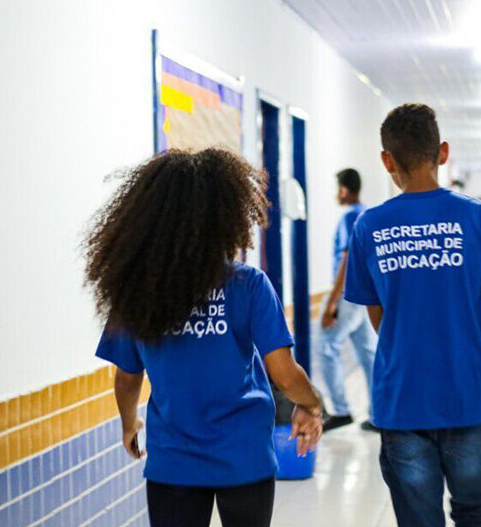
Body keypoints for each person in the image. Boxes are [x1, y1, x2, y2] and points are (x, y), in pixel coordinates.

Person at [343, 103, 481, 527]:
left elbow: (380, 319)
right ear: (442, 152)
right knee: (473, 512)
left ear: (387, 160)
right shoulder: (479, 219)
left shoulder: (370, 227)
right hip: (470, 397)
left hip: (402, 400)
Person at [84, 149, 324, 527]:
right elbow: (284, 374)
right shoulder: (249, 285)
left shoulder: (138, 292)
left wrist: (129, 423)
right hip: (244, 458)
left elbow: (127, 377)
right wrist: (311, 403)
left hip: (174, 461)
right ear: (226, 217)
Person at [317, 168, 378, 432]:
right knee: (367, 353)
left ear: (344, 189)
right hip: (363, 292)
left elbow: (347, 259)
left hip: (349, 295)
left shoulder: (350, 217)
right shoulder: (365, 214)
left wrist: (331, 303)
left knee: (326, 345)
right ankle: (380, 413)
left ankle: (341, 410)